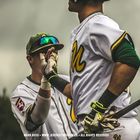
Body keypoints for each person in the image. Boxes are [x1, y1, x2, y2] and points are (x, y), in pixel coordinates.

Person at [42, 0, 140, 140]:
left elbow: (129, 60)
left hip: (114, 126)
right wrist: (50, 75)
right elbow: (74, 91)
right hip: (101, 128)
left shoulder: (97, 24)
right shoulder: (86, 29)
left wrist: (99, 108)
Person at [10, 33, 78, 140]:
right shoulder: (20, 92)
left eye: (54, 52)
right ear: (30, 59)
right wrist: (46, 79)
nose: (50, 57)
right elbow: (36, 119)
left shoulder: (68, 81)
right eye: (45, 52)